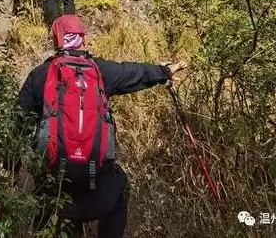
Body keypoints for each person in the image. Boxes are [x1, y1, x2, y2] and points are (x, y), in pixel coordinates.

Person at [19, 14, 186, 238]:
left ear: (56, 40)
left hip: (54, 193)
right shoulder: (100, 71)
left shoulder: (40, 76)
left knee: (52, 214)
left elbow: (17, 122)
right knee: (121, 187)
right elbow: (133, 72)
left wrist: (8, 169)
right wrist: (164, 72)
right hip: (96, 190)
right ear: (83, 40)